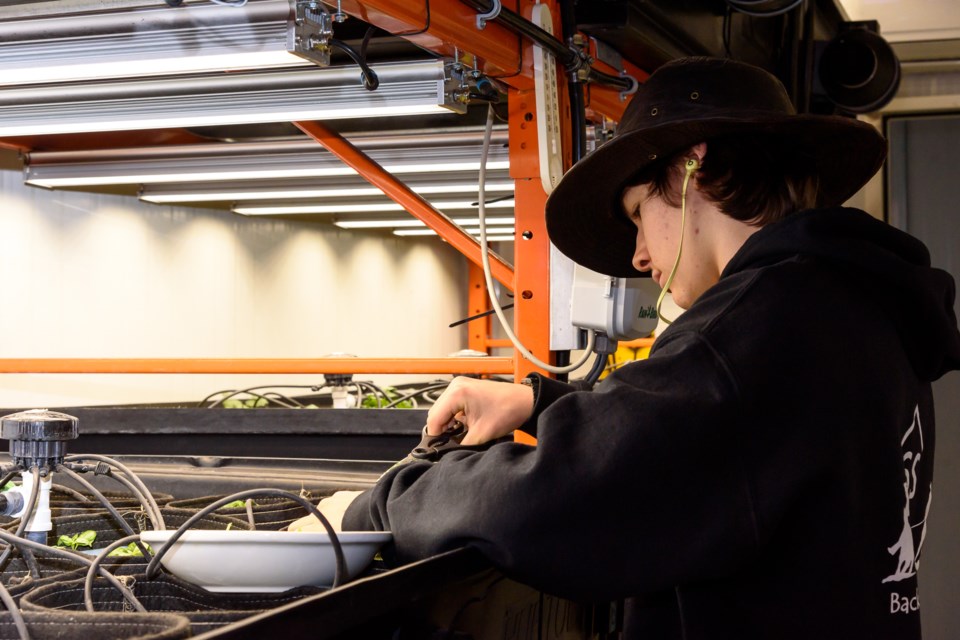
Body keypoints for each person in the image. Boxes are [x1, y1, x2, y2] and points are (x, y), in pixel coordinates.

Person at [294, 57, 960, 638]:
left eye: (639, 212)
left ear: (693, 166)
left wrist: (379, 504)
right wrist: (540, 399)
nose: (640, 254)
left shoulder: (764, 328)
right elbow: (718, 444)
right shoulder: (851, 308)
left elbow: (548, 506)